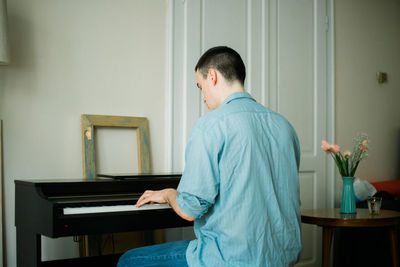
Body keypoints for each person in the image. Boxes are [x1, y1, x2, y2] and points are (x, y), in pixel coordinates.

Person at [117, 46, 302, 267]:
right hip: (281, 259)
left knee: (128, 260)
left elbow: (188, 211)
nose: (203, 97)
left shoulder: (211, 124)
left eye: (200, 86)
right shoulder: (285, 126)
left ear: (212, 76)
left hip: (229, 260)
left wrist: (168, 194)